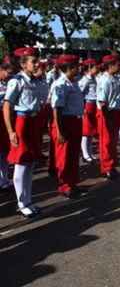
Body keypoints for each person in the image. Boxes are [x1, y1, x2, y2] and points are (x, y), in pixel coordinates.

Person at [3, 47, 43, 218]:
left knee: (31, 162)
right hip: (22, 122)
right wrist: (11, 131)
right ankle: (22, 203)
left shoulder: (34, 80)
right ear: (23, 63)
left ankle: (28, 200)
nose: (37, 64)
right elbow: (7, 106)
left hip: (33, 121)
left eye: (37, 60)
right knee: (21, 163)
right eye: (33, 61)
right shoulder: (16, 81)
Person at [51, 54, 85, 199]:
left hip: (76, 121)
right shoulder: (60, 85)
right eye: (76, 66)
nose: (79, 68)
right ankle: (64, 185)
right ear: (69, 68)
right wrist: (59, 131)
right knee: (64, 157)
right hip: (65, 122)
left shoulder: (74, 82)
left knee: (73, 154)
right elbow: (56, 109)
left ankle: (72, 183)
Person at [96, 54, 120, 180]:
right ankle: (107, 168)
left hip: (115, 112)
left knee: (113, 141)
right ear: (110, 65)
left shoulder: (114, 78)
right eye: (117, 64)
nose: (119, 66)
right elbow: (102, 102)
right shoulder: (105, 80)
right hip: (107, 113)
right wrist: (107, 118)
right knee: (106, 142)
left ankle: (112, 166)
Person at [79, 58, 99, 163]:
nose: (97, 68)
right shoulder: (85, 80)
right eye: (95, 67)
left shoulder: (94, 79)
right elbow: (80, 94)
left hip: (94, 105)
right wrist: (82, 108)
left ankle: (90, 152)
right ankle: (85, 154)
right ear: (89, 68)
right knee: (86, 132)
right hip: (87, 105)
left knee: (91, 131)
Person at [0, 60, 14, 192]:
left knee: (4, 151)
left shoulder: (7, 83)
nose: (9, 76)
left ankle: (3, 180)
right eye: (8, 73)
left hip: (5, 119)